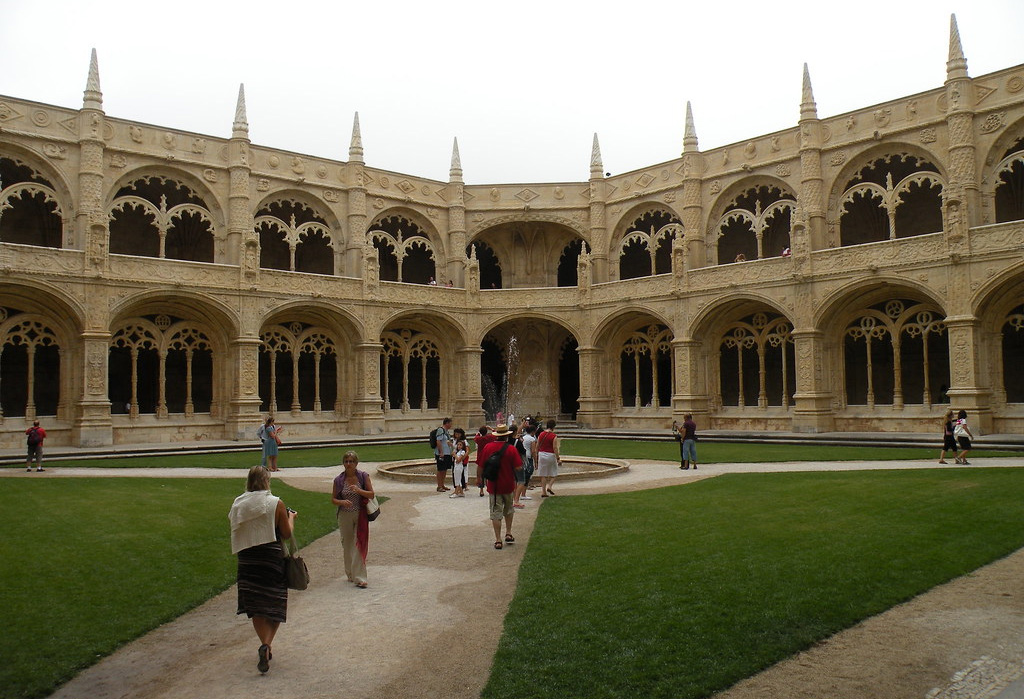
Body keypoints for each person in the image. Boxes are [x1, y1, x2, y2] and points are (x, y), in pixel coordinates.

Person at [229, 465, 297, 674]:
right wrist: (291, 517)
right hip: (270, 557)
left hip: (248, 558)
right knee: (276, 600)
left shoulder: (238, 504)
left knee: (256, 604)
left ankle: (264, 646)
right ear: (267, 480)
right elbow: (286, 533)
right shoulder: (275, 503)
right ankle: (266, 644)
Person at [331, 451, 375, 588]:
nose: (348, 464)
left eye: (351, 461)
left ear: (356, 463)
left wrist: (359, 490)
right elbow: (333, 499)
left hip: (360, 513)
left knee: (359, 543)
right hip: (345, 515)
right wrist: (342, 502)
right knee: (347, 544)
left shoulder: (363, 476)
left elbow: (372, 494)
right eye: (346, 461)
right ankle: (350, 572)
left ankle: (360, 577)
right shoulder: (339, 480)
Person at [480, 424, 523, 549]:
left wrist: (479, 479)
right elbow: (518, 467)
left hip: (494, 485)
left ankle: (498, 539)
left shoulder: (488, 447)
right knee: (508, 510)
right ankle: (508, 533)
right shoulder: (511, 449)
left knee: (495, 513)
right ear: (506, 436)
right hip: (508, 485)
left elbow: (481, 465)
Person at [536, 419, 561, 497]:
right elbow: (555, 448)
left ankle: (543, 492)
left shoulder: (541, 434)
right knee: (554, 473)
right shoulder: (554, 436)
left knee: (543, 474)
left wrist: (536, 456)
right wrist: (558, 458)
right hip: (550, 455)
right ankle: (549, 486)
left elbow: (537, 446)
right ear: (553, 427)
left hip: (541, 454)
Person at [432, 417, 454, 492]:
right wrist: (441, 452)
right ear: (447, 423)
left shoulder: (446, 431)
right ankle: (439, 486)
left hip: (447, 453)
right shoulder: (440, 430)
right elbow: (438, 441)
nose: (451, 425)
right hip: (441, 453)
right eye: (450, 423)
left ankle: (442, 484)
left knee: (444, 469)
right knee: (440, 469)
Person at [474, 424, 496, 497]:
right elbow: (496, 434)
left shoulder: (478, 439)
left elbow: (476, 436)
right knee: (490, 473)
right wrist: (491, 428)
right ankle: (490, 489)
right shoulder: (490, 437)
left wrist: (478, 432)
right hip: (489, 457)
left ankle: (481, 490)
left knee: (481, 475)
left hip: (480, 457)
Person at [519, 423, 537, 502]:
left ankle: (520, 494)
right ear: (533, 431)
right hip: (528, 457)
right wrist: (536, 461)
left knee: (522, 475)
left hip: (522, 457)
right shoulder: (532, 439)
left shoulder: (523, 437)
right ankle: (523, 494)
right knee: (527, 476)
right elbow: (533, 451)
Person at [451, 428, 468, 498]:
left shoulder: (462, 449)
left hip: (459, 463)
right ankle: (460, 491)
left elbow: (459, 459)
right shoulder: (455, 442)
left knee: (458, 477)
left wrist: (456, 455)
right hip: (456, 463)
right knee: (456, 476)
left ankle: (456, 491)